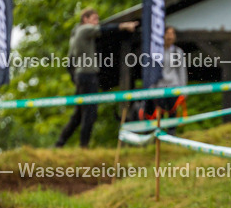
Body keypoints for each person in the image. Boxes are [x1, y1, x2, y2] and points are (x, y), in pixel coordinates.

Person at [56, 8, 138, 148]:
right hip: (87, 76)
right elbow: (105, 29)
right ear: (85, 19)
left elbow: (70, 61)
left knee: (79, 115)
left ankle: (59, 144)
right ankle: (84, 147)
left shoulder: (75, 35)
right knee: (90, 113)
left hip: (82, 76)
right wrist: (124, 26)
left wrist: (75, 78)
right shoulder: (84, 30)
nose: (97, 22)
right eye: (94, 19)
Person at [141, 25, 189, 120]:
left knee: (173, 114)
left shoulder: (178, 52)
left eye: (172, 34)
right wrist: (150, 88)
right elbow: (150, 71)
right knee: (159, 115)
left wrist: (184, 90)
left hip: (173, 87)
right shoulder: (155, 51)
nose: (170, 36)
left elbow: (182, 71)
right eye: (167, 33)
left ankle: (171, 133)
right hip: (159, 88)